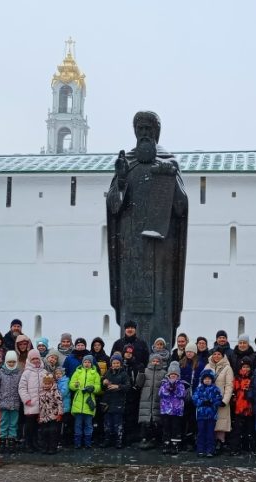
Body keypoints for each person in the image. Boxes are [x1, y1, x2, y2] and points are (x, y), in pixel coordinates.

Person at [106, 110, 188, 347]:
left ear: (156, 133)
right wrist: (120, 181)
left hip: (161, 253)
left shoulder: (168, 164)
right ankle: (130, 354)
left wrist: (171, 180)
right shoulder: (126, 165)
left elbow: (181, 208)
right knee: (131, 307)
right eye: (140, 129)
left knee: (160, 307)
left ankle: (160, 355)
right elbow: (113, 206)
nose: (144, 134)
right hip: (131, 251)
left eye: (149, 130)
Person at [137, 344, 168, 450]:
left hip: (157, 400)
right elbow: (139, 384)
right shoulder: (146, 371)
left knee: (156, 420)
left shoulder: (164, 373)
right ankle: (144, 438)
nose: (155, 363)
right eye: (153, 361)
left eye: (157, 361)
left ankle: (154, 439)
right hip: (146, 399)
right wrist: (140, 373)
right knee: (145, 420)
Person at [69, 354, 102, 449]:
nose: (87, 364)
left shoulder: (95, 373)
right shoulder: (77, 372)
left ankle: (88, 442)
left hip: (89, 402)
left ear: (91, 363)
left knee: (88, 424)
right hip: (78, 403)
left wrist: (92, 388)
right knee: (78, 424)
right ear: (82, 363)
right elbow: (71, 385)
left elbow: (98, 387)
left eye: (88, 362)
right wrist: (75, 385)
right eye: (85, 362)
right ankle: (77, 443)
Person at [0, 351, 22, 450]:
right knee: (4, 422)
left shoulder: (19, 373)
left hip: (15, 403)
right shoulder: (1, 372)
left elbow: (21, 387)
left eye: (13, 362)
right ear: (6, 362)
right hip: (3, 403)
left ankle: (11, 440)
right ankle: (2, 440)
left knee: (13, 423)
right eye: (9, 362)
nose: (11, 364)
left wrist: (20, 398)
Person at [191, 368, 223, 457]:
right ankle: (200, 449)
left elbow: (219, 399)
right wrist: (202, 402)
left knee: (210, 433)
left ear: (212, 380)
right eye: (205, 379)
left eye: (209, 379)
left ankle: (210, 450)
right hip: (201, 415)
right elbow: (194, 399)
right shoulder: (199, 389)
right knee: (201, 432)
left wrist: (212, 402)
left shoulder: (215, 389)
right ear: (202, 380)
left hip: (211, 415)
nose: (207, 380)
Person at [18, 349, 46, 452]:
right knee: (29, 425)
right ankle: (28, 443)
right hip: (30, 404)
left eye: (37, 358)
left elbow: (49, 386)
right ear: (29, 360)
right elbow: (22, 388)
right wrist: (26, 399)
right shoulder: (26, 373)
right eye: (33, 359)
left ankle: (35, 443)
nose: (35, 361)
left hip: (41, 404)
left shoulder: (44, 372)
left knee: (37, 425)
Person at [178, 342, 204, 449]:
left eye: (191, 352)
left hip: (195, 394)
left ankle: (190, 440)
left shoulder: (199, 364)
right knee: (183, 418)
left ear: (195, 353)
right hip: (183, 394)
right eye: (187, 351)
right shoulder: (181, 363)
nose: (189, 353)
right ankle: (182, 439)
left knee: (193, 419)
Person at [101, 353, 130, 448]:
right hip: (107, 402)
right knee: (107, 423)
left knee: (118, 424)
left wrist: (118, 386)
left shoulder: (124, 374)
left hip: (118, 402)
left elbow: (128, 387)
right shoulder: (107, 372)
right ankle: (107, 440)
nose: (116, 365)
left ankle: (119, 441)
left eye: (118, 363)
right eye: (114, 363)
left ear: (120, 363)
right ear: (111, 364)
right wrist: (104, 382)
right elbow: (102, 387)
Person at [209, 347, 234, 453]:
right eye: (214, 354)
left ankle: (220, 442)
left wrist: (225, 400)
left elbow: (229, 385)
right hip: (209, 400)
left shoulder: (227, 368)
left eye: (219, 354)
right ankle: (211, 442)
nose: (216, 356)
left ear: (223, 356)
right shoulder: (208, 366)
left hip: (221, 400)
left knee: (221, 423)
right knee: (210, 422)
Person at [158, 361, 187, 455]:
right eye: (171, 374)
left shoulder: (181, 384)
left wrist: (175, 389)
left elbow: (182, 394)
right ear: (168, 374)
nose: (173, 375)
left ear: (178, 375)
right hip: (166, 410)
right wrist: (168, 388)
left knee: (176, 428)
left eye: (175, 374)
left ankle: (175, 444)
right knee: (166, 427)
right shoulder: (164, 383)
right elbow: (161, 393)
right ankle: (166, 444)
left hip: (176, 411)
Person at [229, 357, 255, 456]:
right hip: (238, 409)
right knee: (237, 430)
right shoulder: (236, 379)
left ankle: (248, 447)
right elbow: (233, 390)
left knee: (249, 430)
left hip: (249, 408)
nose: (245, 369)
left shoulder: (253, 378)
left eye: (248, 367)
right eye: (244, 367)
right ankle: (235, 448)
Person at [121, 344, 144, 445]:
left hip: (132, 394)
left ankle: (130, 437)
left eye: (130, 353)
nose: (128, 354)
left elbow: (139, 380)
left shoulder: (137, 365)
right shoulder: (120, 363)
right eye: (127, 352)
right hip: (121, 394)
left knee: (131, 416)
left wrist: (135, 388)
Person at [37, 373, 64, 455]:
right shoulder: (41, 392)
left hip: (53, 415)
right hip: (44, 415)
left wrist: (60, 414)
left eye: (49, 384)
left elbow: (60, 403)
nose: (47, 385)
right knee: (44, 432)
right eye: (45, 383)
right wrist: (39, 416)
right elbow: (40, 405)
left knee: (53, 432)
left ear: (52, 384)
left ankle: (53, 448)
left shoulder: (55, 392)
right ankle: (45, 447)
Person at [54, 366, 72, 448]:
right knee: (58, 424)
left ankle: (63, 441)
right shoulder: (56, 382)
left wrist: (54, 395)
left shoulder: (66, 381)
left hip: (65, 407)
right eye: (56, 373)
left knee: (63, 425)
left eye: (60, 373)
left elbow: (63, 393)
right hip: (58, 408)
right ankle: (58, 440)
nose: (58, 375)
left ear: (63, 374)